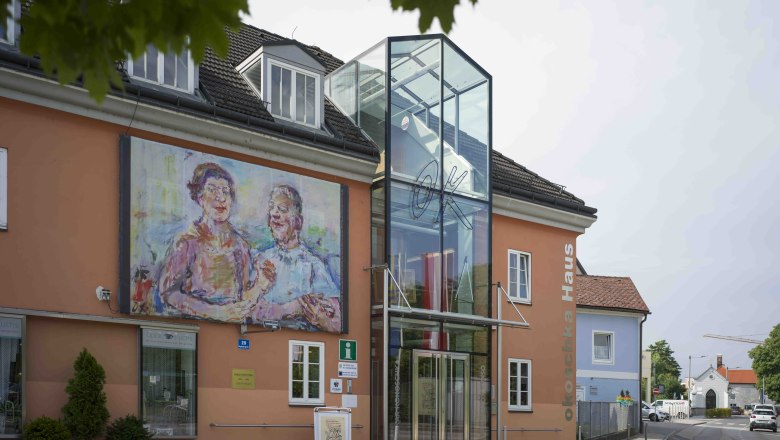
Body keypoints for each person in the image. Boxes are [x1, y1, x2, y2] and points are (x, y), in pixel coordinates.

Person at [157, 162, 261, 322]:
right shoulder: (187, 242)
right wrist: (216, 312)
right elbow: (168, 292)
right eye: (212, 190)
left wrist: (261, 284)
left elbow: (244, 295)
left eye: (225, 191)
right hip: (196, 326)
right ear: (199, 197)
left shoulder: (240, 245)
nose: (220, 197)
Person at [250, 184, 341, 331]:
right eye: (272, 208)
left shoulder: (313, 265)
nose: (274, 214)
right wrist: (295, 306)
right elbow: (248, 309)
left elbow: (335, 320)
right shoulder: (261, 260)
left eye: (283, 209)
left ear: (298, 222)